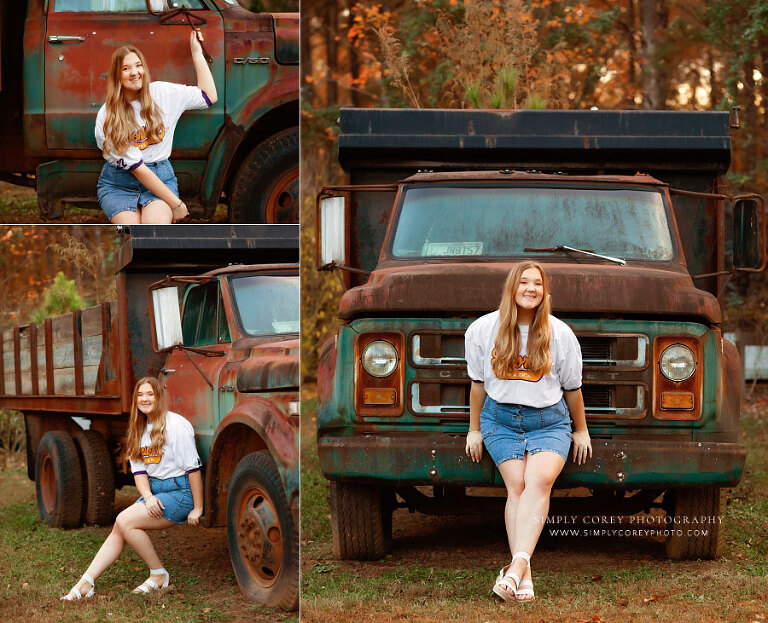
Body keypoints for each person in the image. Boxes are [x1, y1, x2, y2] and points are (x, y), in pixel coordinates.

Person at [464, 261, 592, 602]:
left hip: (549, 422)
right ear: (512, 288)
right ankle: (525, 574)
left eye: (537, 283)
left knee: (539, 482)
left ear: (544, 291)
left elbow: (573, 389)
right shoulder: (482, 330)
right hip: (500, 420)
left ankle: (516, 569)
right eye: (524, 282)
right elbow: (477, 385)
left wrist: (581, 431)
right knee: (517, 486)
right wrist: (474, 429)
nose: (531, 288)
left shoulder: (559, 333)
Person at [61, 377, 203, 600]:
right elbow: (139, 473)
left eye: (150, 394)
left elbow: (193, 470)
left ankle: (158, 575)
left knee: (125, 521)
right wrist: (148, 497)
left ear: (159, 398)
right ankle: (86, 582)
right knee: (120, 527)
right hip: (154, 490)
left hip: (180, 491)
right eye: (140, 395)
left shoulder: (176, 426)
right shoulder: (138, 429)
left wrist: (197, 508)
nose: (144, 399)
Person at [95, 30, 217, 224]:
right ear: (117, 75)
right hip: (119, 183)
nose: (134, 72)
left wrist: (196, 53)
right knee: (131, 234)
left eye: (138, 65)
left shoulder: (163, 93)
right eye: (126, 68)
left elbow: (208, 96)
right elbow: (138, 169)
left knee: (154, 231)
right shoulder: (109, 115)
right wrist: (177, 204)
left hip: (160, 176)